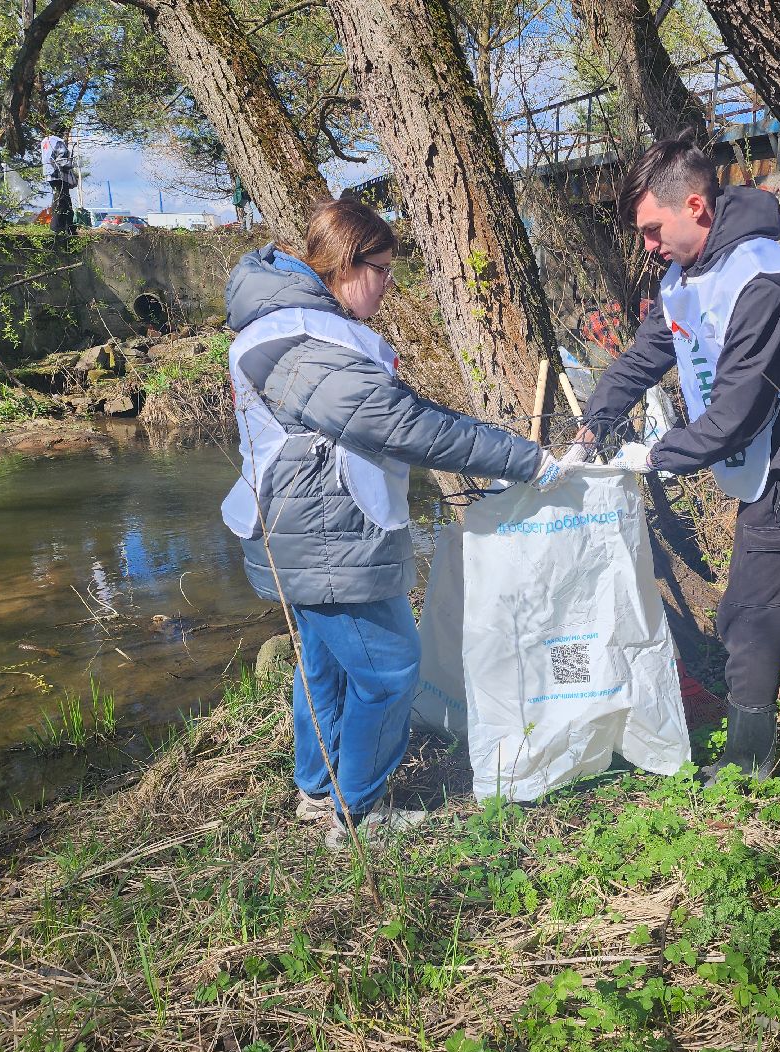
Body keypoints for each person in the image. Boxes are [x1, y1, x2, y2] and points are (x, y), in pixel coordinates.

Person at [222, 195, 559, 850]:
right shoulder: (302, 342)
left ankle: (317, 791)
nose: (387, 285)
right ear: (351, 263)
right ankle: (359, 815)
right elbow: (403, 424)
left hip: (305, 531)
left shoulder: (286, 327)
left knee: (324, 666)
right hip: (325, 539)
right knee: (389, 670)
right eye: (383, 268)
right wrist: (526, 460)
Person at [569, 138, 780, 785]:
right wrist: (589, 429)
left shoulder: (767, 276)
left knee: (746, 613)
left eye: (653, 230)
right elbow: (640, 360)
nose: (649, 246)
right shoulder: (683, 279)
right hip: (766, 460)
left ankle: (748, 763)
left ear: (694, 207)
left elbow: (738, 410)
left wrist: (650, 455)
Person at [40, 134, 77, 243]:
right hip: (59, 174)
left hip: (49, 174)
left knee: (62, 199)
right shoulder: (58, 140)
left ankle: (69, 228)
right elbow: (62, 159)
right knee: (62, 201)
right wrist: (71, 164)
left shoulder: (45, 141)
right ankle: (58, 228)